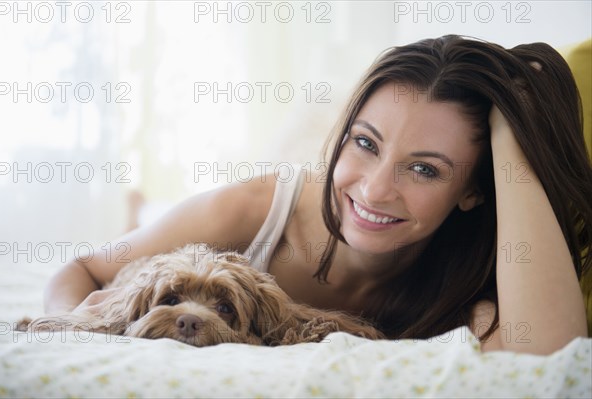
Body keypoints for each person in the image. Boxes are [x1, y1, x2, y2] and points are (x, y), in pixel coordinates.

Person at [44, 35, 592, 354]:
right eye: (365, 143)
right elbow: (84, 271)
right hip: (211, 224)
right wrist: (85, 327)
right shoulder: (254, 208)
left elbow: (552, 355)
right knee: (157, 248)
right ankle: (142, 210)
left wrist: (512, 133)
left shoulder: (462, 284)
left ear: (474, 189)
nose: (376, 189)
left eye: (424, 169)